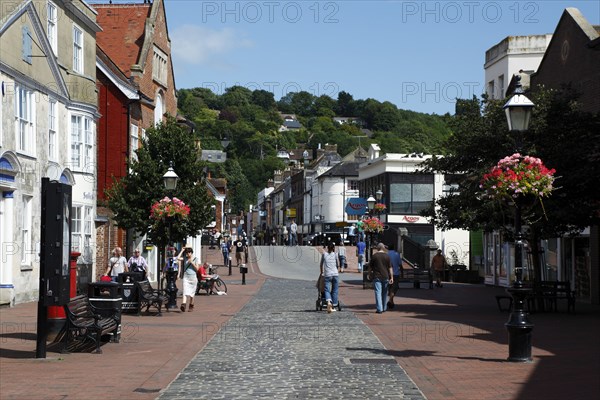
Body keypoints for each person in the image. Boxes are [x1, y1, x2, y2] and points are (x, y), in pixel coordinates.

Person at [367, 242, 393, 314]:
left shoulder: (374, 256)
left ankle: (379, 309)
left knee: (378, 292)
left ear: (378, 248)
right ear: (383, 248)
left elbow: (370, 267)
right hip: (386, 276)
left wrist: (369, 274)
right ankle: (384, 307)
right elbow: (390, 268)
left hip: (377, 276)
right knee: (384, 293)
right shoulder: (387, 256)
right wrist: (392, 277)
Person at [319, 242, 340, 313]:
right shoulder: (335, 254)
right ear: (333, 248)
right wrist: (337, 270)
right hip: (335, 274)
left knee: (327, 289)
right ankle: (334, 304)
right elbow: (338, 264)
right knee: (335, 290)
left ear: (327, 248)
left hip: (327, 274)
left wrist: (322, 272)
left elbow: (321, 265)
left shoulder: (324, 254)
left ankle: (328, 302)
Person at [178, 247, 198, 312]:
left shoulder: (195, 259)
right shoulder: (185, 258)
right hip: (186, 277)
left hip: (193, 278)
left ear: (191, 253)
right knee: (185, 291)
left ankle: (191, 305)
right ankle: (183, 304)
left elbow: (197, 269)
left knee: (192, 293)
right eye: (187, 252)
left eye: (189, 252)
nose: (188, 254)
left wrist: (192, 263)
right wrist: (182, 250)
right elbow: (178, 258)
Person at [387, 244, 402, 309]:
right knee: (394, 288)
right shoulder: (397, 254)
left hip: (388, 274)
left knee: (390, 288)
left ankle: (391, 301)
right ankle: (391, 300)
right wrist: (402, 272)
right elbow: (400, 264)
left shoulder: (387, 254)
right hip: (396, 273)